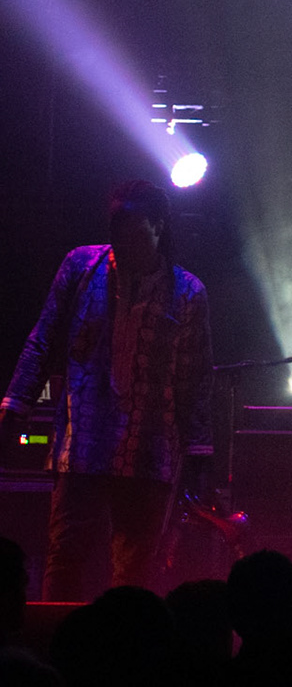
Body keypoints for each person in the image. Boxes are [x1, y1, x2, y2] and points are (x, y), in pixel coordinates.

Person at [1, 180, 213, 600]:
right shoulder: (81, 266)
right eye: (115, 226)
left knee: (134, 576)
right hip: (82, 445)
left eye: (132, 227)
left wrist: (198, 456)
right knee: (65, 561)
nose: (121, 238)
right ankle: (58, 640)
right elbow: (43, 340)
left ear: (158, 225)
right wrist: (14, 406)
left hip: (148, 453)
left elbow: (196, 379)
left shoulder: (188, 292)